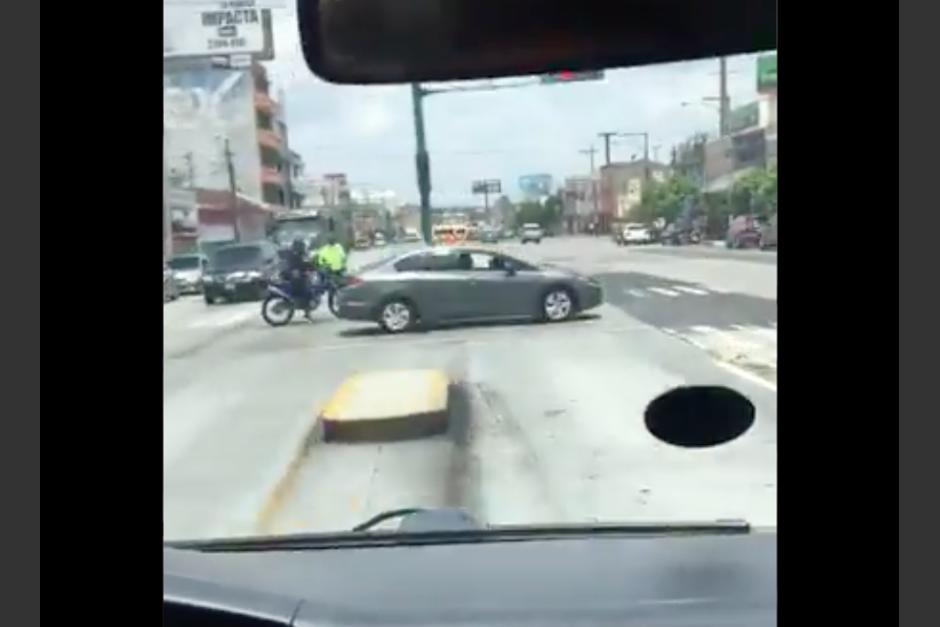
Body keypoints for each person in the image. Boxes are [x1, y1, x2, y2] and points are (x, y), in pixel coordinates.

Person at [283, 237, 316, 321]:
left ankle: (306, 311)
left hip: (295, 275)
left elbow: (304, 263)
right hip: (294, 277)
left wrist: (311, 267)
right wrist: (309, 268)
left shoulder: (296, 254)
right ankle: (307, 311)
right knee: (307, 291)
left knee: (308, 287)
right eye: (302, 246)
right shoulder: (294, 255)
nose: (303, 248)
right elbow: (301, 265)